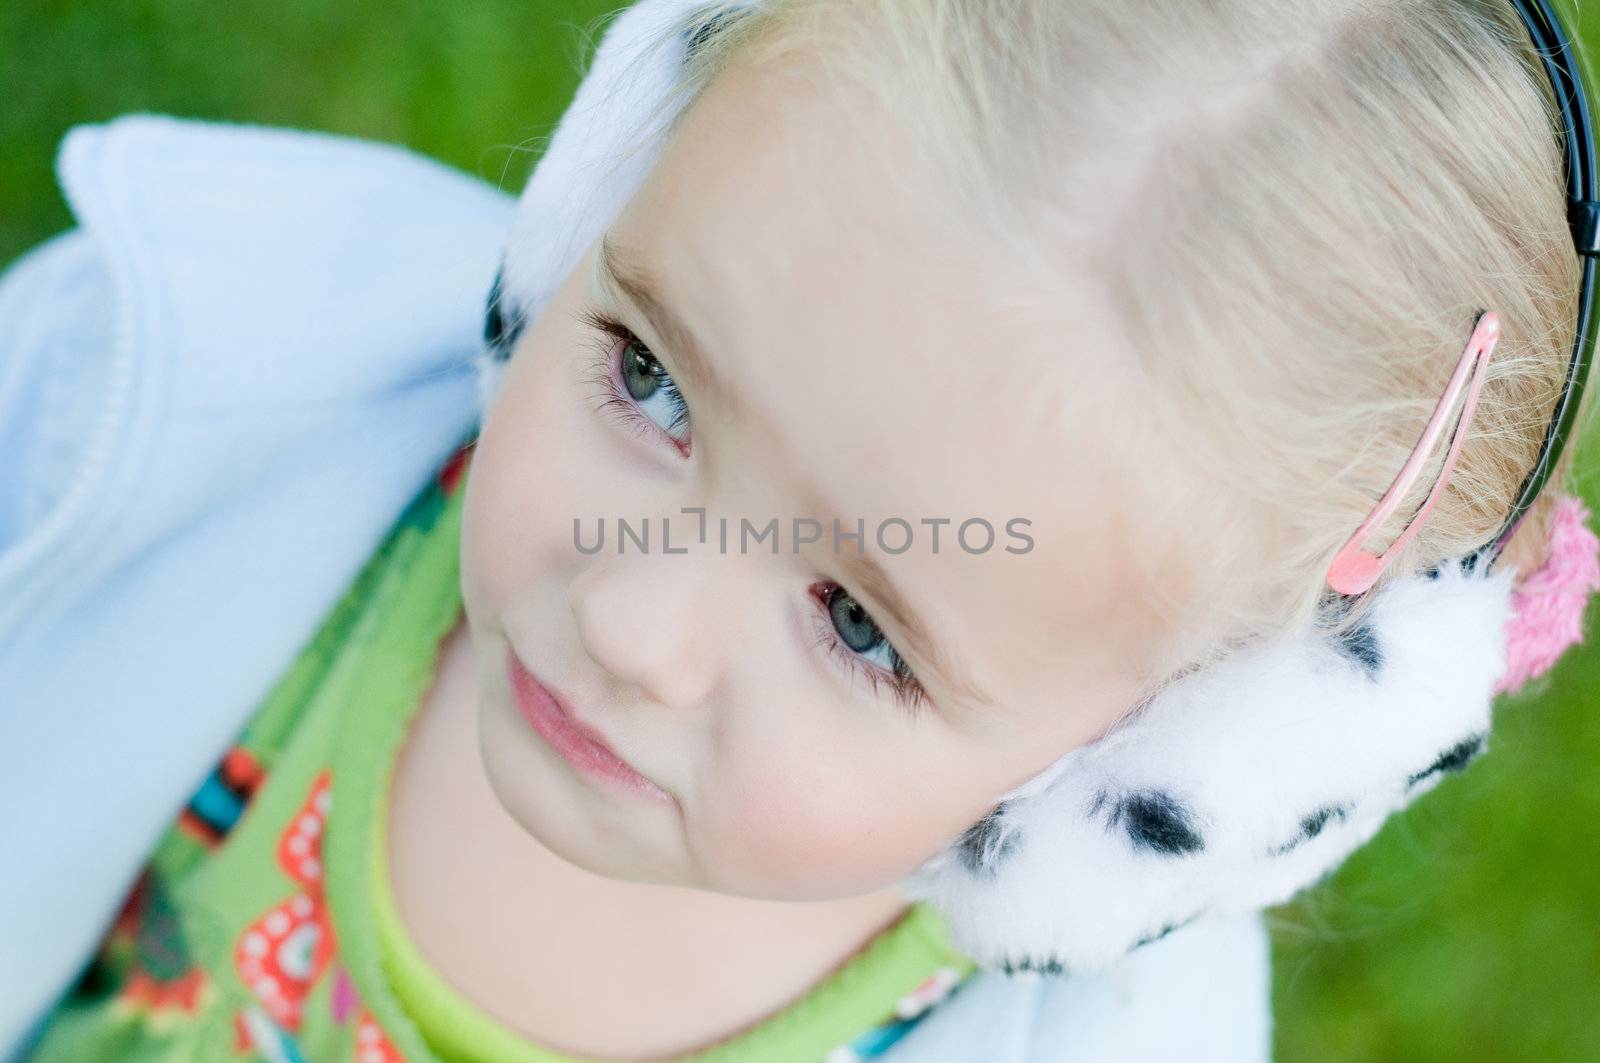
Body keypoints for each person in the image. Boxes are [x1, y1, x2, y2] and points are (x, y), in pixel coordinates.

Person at [3, 0, 1597, 1060]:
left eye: (859, 624)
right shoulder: (162, 393)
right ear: (606, 180)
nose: (634, 625)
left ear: (1186, 764)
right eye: (649, 381)